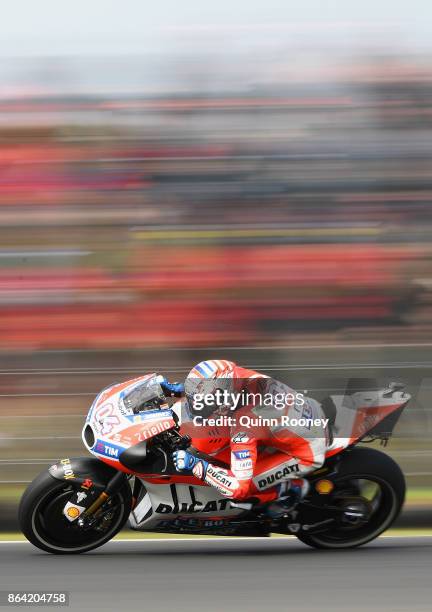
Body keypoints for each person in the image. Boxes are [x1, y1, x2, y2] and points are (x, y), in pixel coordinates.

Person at [160, 359, 328, 517]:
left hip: (307, 451)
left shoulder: (245, 425)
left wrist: (196, 465)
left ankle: (290, 488)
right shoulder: (236, 376)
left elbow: (238, 488)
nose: (198, 410)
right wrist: (184, 389)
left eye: (204, 406)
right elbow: (210, 387)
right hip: (306, 412)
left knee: (242, 488)